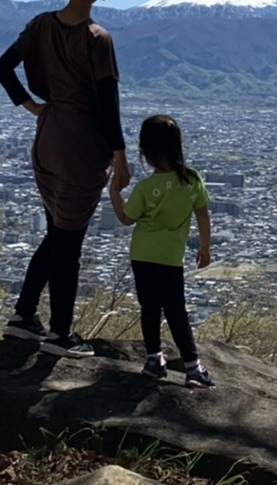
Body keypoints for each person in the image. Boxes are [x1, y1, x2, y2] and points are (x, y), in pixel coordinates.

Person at [0, 0, 130, 358]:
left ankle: (23, 315)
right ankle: (60, 334)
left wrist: (32, 106)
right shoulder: (96, 38)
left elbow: (2, 68)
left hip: (48, 134)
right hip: (82, 142)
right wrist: (120, 157)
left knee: (58, 231)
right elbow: (108, 105)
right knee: (70, 242)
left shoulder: (39, 26)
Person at [111, 113, 214, 387]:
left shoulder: (146, 188)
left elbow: (126, 218)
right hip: (170, 257)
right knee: (176, 310)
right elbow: (203, 215)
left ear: (144, 152)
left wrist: (114, 192)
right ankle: (193, 367)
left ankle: (154, 360)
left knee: (150, 309)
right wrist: (205, 247)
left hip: (143, 255)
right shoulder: (192, 180)